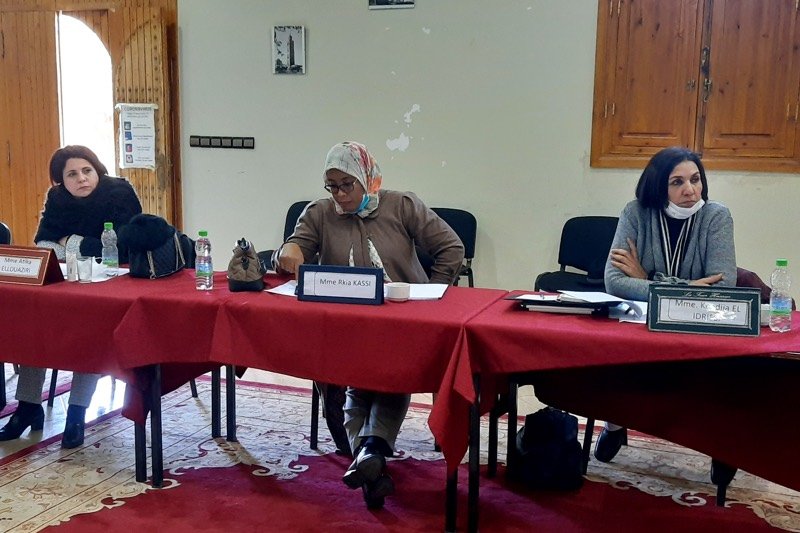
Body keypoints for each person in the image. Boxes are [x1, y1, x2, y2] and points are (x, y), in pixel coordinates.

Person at [274, 141, 464, 509]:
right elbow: (294, 248)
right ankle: (372, 455)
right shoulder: (318, 213)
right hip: (343, 324)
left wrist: (430, 294)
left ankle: (367, 456)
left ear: (366, 178)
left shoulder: (401, 205)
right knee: (355, 375)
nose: (340, 195)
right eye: (332, 186)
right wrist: (288, 253)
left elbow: (451, 248)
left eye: (347, 184)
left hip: (401, 321)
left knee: (388, 375)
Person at [595, 146, 736, 463]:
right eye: (677, 182)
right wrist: (687, 287)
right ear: (658, 186)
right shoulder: (636, 213)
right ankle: (615, 424)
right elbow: (614, 281)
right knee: (609, 355)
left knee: (723, 375)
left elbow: (723, 287)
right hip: (643, 321)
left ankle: (722, 448)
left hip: (699, 323)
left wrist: (647, 278)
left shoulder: (716, 216)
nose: (690, 190)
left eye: (695, 180)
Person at [0, 145, 142, 448]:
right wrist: (80, 246)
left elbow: (122, 247)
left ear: (97, 170)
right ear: (61, 181)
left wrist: (71, 241)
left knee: (87, 332)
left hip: (113, 285)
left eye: (87, 171)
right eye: (72, 174)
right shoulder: (57, 198)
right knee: (34, 325)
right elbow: (44, 243)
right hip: (68, 282)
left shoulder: (119, 193)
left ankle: (76, 413)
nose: (81, 179)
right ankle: (28, 406)